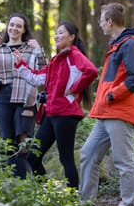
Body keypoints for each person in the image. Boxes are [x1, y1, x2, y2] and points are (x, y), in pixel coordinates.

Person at [79, 3, 134, 206]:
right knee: (88, 154)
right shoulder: (116, 46)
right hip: (106, 114)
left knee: (124, 162)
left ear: (110, 21)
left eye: (101, 20)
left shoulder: (130, 45)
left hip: (119, 112)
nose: (100, 24)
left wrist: (111, 95)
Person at [13, 21, 98, 188]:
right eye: (55, 33)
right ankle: (48, 195)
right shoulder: (57, 59)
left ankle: (72, 202)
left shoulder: (74, 55)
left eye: (60, 33)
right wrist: (21, 63)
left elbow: (92, 71)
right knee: (33, 156)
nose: (56, 36)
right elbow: (37, 78)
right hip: (50, 114)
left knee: (65, 158)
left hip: (66, 114)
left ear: (71, 37)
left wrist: (74, 89)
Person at [0, 13, 47, 179]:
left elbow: (45, 71)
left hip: (26, 98)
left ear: (24, 30)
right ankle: (9, 185)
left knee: (24, 142)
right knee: (7, 142)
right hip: (2, 98)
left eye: (19, 26)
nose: (14, 28)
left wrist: (39, 49)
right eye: (12, 25)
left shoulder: (31, 48)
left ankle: (23, 183)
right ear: (7, 27)